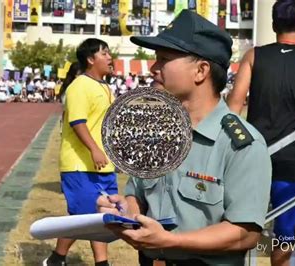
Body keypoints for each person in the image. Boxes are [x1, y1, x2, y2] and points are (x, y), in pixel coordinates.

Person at [97, 10, 272, 265]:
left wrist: (170, 242)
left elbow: (244, 234)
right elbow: (136, 194)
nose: (153, 68)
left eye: (164, 59)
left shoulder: (242, 145)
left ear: (201, 71)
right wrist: (126, 213)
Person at [226, 1, 295, 265]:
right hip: (293, 160)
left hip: (253, 156)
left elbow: (232, 110)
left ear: (274, 24)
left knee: (240, 227)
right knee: (285, 238)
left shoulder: (254, 56)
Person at [43, 38, 117, 266]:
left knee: (102, 216)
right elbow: (78, 122)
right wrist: (94, 149)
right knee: (85, 217)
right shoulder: (79, 86)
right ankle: (56, 260)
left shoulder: (105, 87)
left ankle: (99, 262)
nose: (109, 57)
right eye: (104, 53)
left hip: (104, 164)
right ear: (90, 59)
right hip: (80, 165)